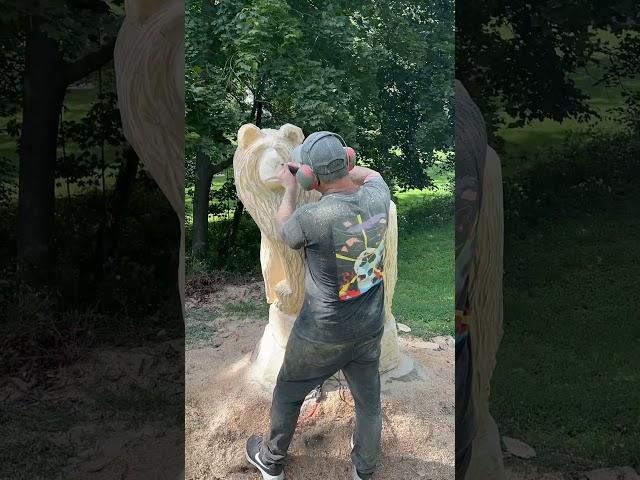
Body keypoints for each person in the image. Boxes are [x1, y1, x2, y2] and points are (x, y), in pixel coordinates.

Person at [245, 131, 391, 480]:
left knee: (287, 393)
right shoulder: (378, 195)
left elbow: (285, 230)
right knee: (369, 403)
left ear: (309, 176)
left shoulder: (312, 219)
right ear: (350, 159)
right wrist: (342, 167)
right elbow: (370, 175)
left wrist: (292, 189)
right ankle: (364, 470)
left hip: (321, 335)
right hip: (369, 329)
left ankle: (271, 460)